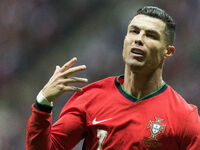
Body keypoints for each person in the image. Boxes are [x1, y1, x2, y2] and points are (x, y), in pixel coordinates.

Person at [26, 6, 200, 150]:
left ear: (167, 52)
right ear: (125, 40)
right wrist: (43, 102)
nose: (138, 39)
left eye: (150, 35)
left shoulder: (184, 118)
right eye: (134, 31)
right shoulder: (91, 98)